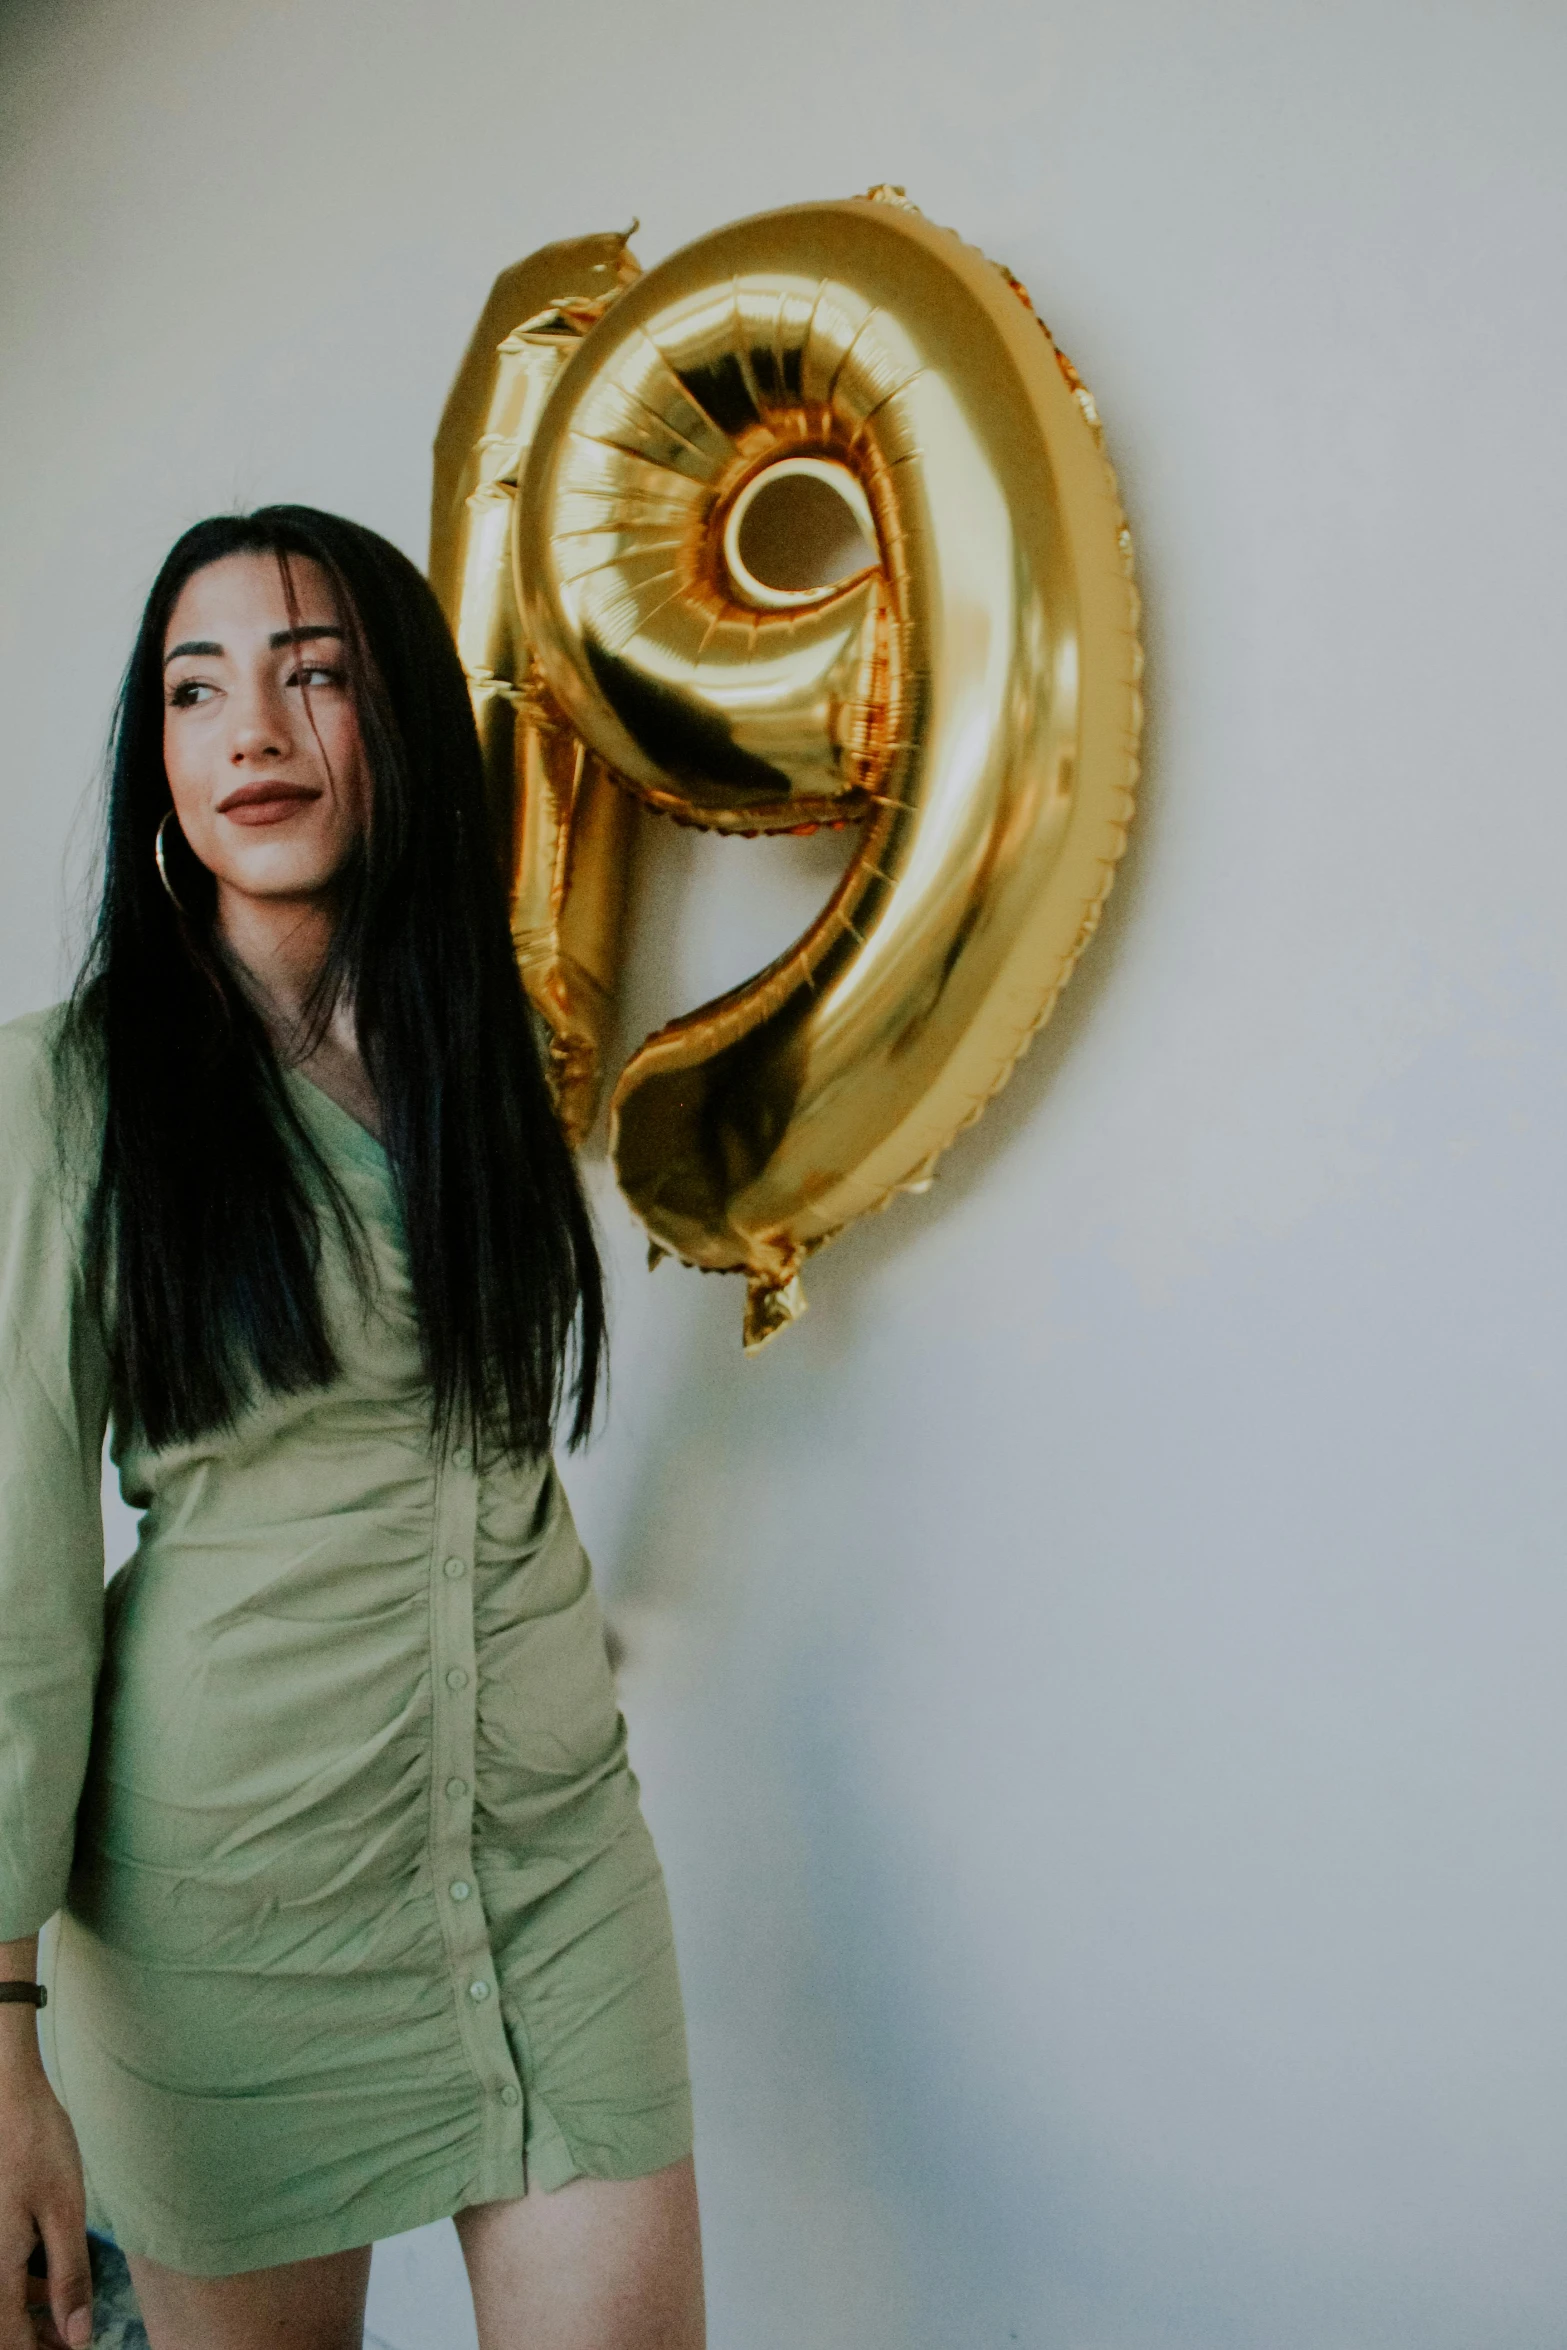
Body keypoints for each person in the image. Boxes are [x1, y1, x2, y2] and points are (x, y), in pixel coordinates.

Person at [0, 509, 703, 2350]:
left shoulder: (487, 1054)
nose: (255, 729)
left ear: (395, 725)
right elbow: (13, 1575)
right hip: (236, 1916)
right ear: (157, 758)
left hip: (552, 1862)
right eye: (196, 686)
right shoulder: (65, 1098)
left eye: (314, 673)